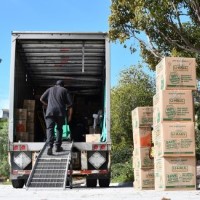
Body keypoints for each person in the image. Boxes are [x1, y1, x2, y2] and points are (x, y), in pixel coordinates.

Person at [40, 80, 73, 155]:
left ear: (55, 84)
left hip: (50, 112)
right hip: (60, 112)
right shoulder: (64, 90)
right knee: (59, 128)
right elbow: (70, 104)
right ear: (62, 85)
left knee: (50, 128)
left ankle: (50, 146)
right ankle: (58, 147)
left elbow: (41, 99)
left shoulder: (49, 89)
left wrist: (48, 105)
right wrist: (69, 113)